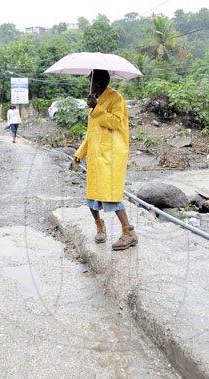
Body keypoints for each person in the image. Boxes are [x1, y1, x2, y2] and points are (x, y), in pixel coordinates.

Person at [72, 69, 138, 251]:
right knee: (92, 198)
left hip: (110, 156)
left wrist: (96, 108)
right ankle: (100, 228)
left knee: (111, 196)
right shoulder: (95, 99)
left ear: (98, 83)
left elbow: (116, 123)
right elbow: (91, 133)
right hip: (96, 157)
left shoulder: (116, 99)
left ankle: (129, 233)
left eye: (91, 82)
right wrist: (79, 154)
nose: (89, 85)